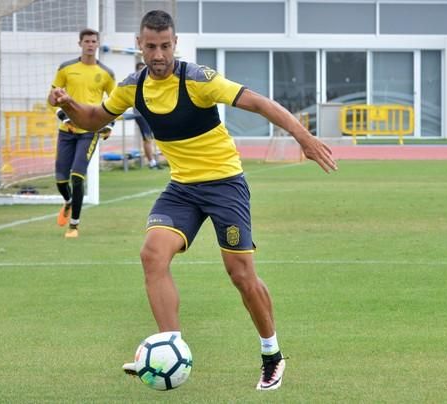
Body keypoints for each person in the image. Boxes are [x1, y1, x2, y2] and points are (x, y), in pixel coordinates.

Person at [49, 10, 337, 390]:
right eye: (151, 47)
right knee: (152, 254)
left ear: (175, 43)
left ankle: (272, 354)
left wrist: (304, 137)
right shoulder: (132, 87)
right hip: (182, 188)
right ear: (140, 45)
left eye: (165, 46)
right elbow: (93, 118)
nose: (159, 55)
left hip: (225, 185)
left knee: (241, 275)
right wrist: (68, 103)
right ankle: (170, 349)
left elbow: (259, 103)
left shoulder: (199, 80)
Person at [47, 28, 116, 238]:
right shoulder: (66, 69)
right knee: (61, 179)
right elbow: (52, 96)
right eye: (86, 41)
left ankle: (74, 226)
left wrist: (108, 125)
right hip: (66, 130)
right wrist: (62, 115)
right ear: (80, 44)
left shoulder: (106, 73)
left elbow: (116, 102)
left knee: (77, 176)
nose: (90, 45)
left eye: (94, 41)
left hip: (90, 130)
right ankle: (67, 202)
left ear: (97, 44)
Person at [133, 62, 161, 169]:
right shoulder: (135, 82)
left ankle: (154, 161)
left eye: (144, 68)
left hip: (152, 113)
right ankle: (151, 163)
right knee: (147, 138)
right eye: (140, 69)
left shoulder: (151, 81)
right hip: (140, 115)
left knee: (156, 138)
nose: (142, 71)